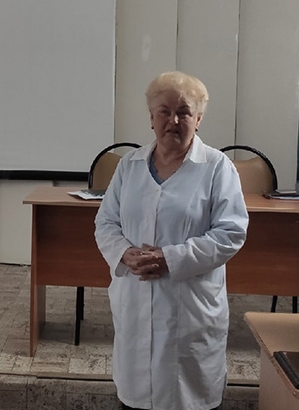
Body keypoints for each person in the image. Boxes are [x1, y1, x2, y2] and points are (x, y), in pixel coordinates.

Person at [95, 71, 248, 410]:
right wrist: (125, 253)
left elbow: (231, 232)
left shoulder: (217, 167)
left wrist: (170, 258)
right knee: (135, 398)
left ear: (199, 118)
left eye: (184, 112)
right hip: (134, 298)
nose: (173, 120)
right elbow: (105, 222)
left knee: (187, 397)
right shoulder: (130, 166)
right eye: (164, 111)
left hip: (190, 306)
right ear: (151, 117)